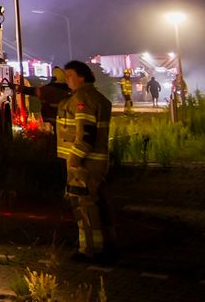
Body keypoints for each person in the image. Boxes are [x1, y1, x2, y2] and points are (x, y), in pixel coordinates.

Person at [56, 60, 115, 263]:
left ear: (82, 77)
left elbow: (86, 135)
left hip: (84, 164)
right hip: (92, 163)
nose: (67, 79)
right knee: (95, 205)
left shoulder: (83, 99)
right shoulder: (92, 96)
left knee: (84, 207)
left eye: (70, 75)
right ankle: (102, 246)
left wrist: (74, 160)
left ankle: (90, 250)